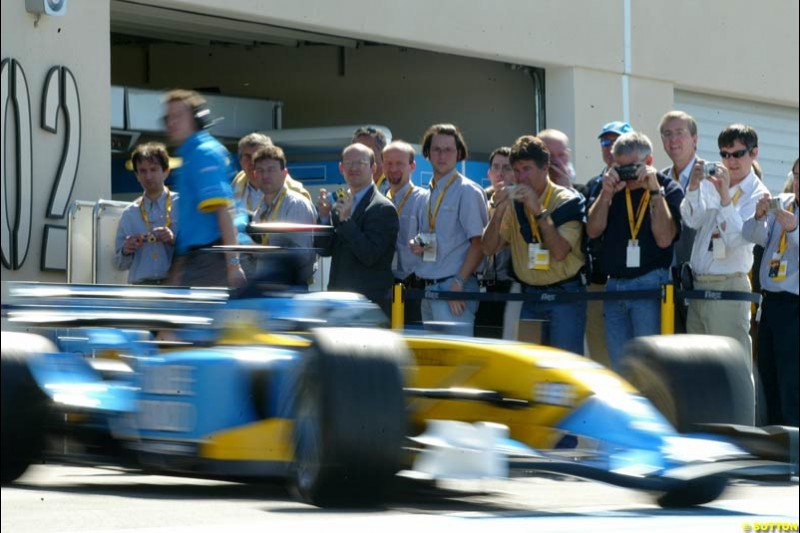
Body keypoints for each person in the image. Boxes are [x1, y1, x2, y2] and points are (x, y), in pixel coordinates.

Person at [587, 132, 683, 370]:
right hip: (614, 286)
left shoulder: (668, 187)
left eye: (631, 168)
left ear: (648, 162)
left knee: (649, 368)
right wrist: (606, 194)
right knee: (620, 367)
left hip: (649, 285)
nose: (625, 175)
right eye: (618, 168)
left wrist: (654, 192)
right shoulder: (607, 186)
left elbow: (664, 239)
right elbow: (592, 231)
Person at [482, 136, 587, 354]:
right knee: (532, 367)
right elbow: (488, 248)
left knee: (564, 368)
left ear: (545, 168)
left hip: (564, 296)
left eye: (527, 169)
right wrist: (499, 211)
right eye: (517, 170)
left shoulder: (567, 200)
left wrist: (537, 209)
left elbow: (559, 252)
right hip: (530, 296)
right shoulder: (513, 202)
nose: (521, 177)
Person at [680, 124, 770, 364]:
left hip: (729, 286)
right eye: (724, 154)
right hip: (699, 286)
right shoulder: (713, 181)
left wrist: (724, 198)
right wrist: (693, 187)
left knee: (731, 368)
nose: (730, 161)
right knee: (698, 367)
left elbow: (737, 239)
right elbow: (692, 219)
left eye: (738, 154)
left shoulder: (758, 193)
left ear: (754, 154)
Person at [410, 124, 489, 336]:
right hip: (430, 288)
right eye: (436, 149)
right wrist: (418, 243)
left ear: (459, 153)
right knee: (438, 363)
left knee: (458, 361)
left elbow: (479, 244)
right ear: (427, 153)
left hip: (455, 289)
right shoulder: (427, 194)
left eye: (448, 149)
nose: (442, 155)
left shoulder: (467, 191)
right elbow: (441, 238)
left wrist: (458, 282)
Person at [163, 89, 245, 288]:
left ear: (197, 119)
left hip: (212, 261)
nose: (171, 123)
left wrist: (233, 266)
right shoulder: (190, 155)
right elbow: (191, 227)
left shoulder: (203, 153)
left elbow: (224, 211)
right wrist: (177, 272)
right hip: (197, 260)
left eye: (178, 116)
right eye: (168, 117)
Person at [743, 159, 799, 425]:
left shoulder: (791, 218)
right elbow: (751, 235)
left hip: (795, 306)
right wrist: (758, 215)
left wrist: (795, 229)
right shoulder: (784, 203)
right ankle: (774, 444)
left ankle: (793, 451)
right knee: (768, 375)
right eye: (797, 176)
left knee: (791, 380)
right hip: (771, 304)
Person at [315, 143, 399, 318]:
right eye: (348, 163)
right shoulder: (340, 203)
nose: (353, 168)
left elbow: (370, 255)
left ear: (373, 168)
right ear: (340, 168)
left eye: (360, 163)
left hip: (368, 306)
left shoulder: (383, 208)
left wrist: (346, 222)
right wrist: (323, 217)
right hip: (338, 301)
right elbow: (324, 250)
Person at [583, 121, 632, 366]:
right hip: (597, 283)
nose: (610, 147)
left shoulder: (639, 182)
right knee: (599, 354)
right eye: (605, 142)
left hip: (631, 281)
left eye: (616, 142)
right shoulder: (593, 184)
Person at [250, 145, 317, 285]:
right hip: (265, 286)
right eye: (260, 171)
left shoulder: (296, 204)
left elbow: (302, 256)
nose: (265, 175)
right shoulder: (260, 209)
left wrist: (259, 251)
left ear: (284, 173)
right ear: (255, 175)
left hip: (290, 287)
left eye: (271, 170)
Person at [114, 142, 178, 285]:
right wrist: (125, 251)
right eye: (142, 171)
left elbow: (196, 252)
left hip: (175, 286)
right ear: (136, 175)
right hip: (140, 289)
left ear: (166, 171)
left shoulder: (182, 205)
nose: (148, 176)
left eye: (153, 169)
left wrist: (174, 240)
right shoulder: (129, 213)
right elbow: (120, 264)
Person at [658, 111, 699, 333]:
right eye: (667, 134)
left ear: (695, 139)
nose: (673, 140)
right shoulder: (658, 179)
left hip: (698, 282)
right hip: (665, 281)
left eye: (679, 133)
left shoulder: (710, 176)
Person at [382, 140, 428, 328]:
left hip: (413, 290)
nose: (393, 169)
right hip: (387, 288)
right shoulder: (381, 201)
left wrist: (421, 242)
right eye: (389, 163)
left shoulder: (423, 199)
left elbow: (432, 239)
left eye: (399, 163)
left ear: (412, 166)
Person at [475, 147, 517, 339]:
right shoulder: (478, 198)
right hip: (480, 285)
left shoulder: (523, 201)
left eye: (507, 167)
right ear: (489, 172)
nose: (500, 172)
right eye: (496, 167)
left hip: (510, 285)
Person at [230, 132, 310, 213]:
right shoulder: (231, 191)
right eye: (247, 157)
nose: (252, 162)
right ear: (240, 161)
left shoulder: (296, 196)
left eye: (257, 157)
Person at [352, 126, 389, 196]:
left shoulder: (394, 190)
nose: (361, 156)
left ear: (382, 154)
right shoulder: (352, 192)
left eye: (367, 151)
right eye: (356, 151)